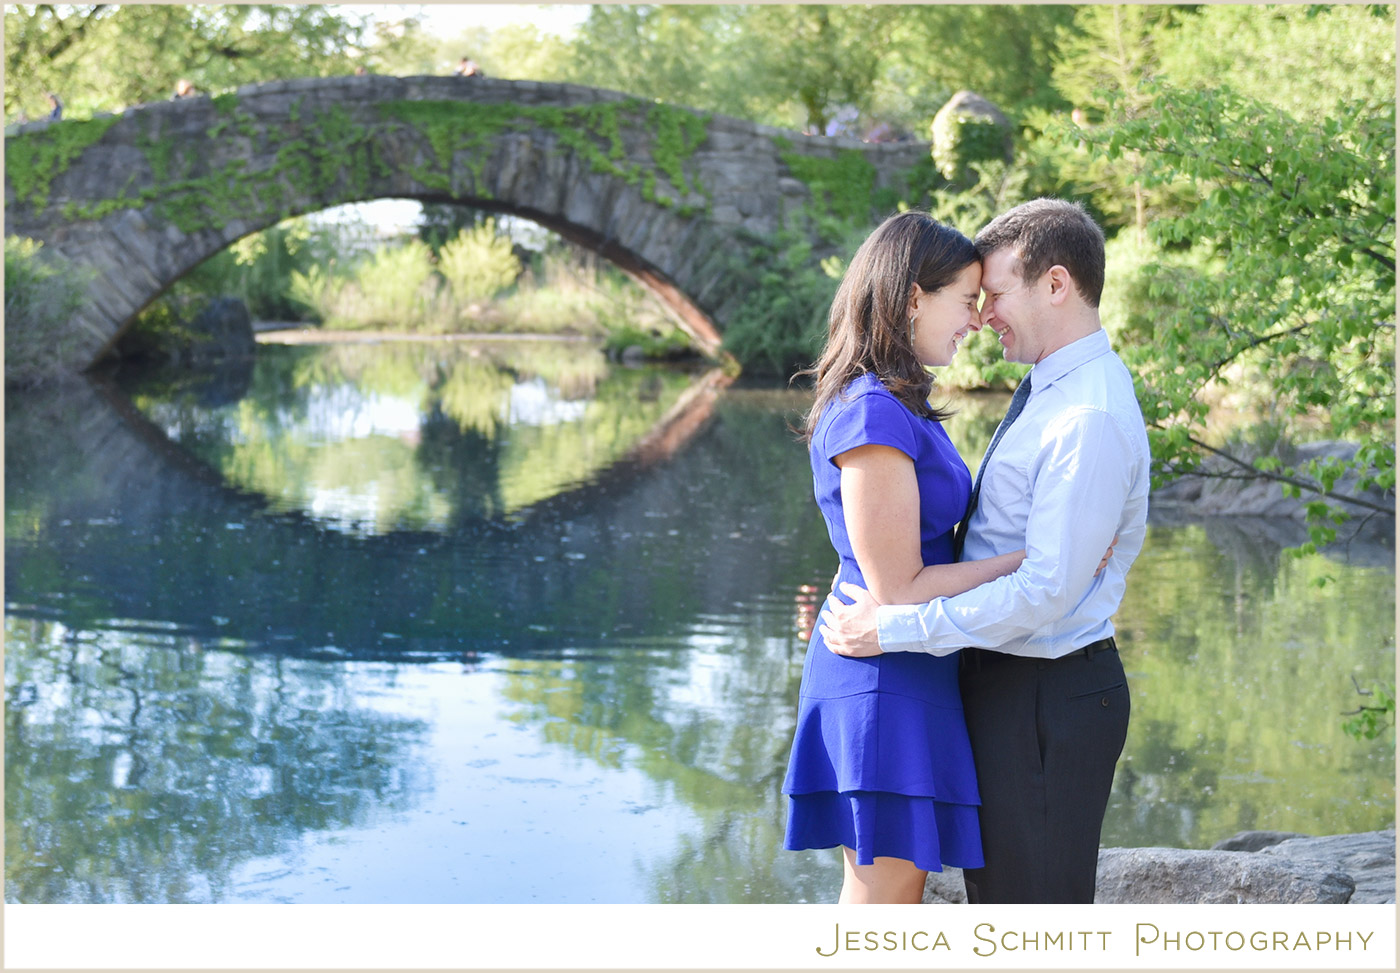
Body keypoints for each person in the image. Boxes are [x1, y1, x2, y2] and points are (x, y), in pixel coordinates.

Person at [820, 198, 1150, 904]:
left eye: (992, 295)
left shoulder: (1084, 413)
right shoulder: (1047, 390)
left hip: (1044, 692)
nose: (983, 315)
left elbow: (1046, 593)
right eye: (972, 299)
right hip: (992, 680)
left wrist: (894, 625)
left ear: (1056, 285)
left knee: (1031, 918)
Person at [783, 212, 1033, 904]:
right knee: (882, 908)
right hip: (880, 678)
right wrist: (1030, 560)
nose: (977, 320)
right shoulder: (872, 413)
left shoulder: (899, 405)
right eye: (966, 299)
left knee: (893, 896)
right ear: (914, 297)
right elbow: (898, 584)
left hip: (908, 669)